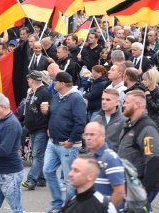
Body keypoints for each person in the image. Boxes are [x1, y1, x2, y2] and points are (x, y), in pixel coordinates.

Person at [42, 71, 86, 213]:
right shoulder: (56, 97)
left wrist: (72, 140)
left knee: (69, 180)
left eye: (55, 81)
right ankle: (57, 204)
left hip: (67, 145)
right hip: (53, 142)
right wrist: (47, 115)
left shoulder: (76, 98)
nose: (53, 83)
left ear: (61, 84)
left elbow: (80, 122)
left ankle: (69, 209)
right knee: (47, 171)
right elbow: (55, 116)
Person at [118, 90, 159, 211]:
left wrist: (144, 191)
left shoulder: (147, 128)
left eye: (126, 102)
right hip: (128, 185)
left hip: (139, 187)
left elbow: (153, 159)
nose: (123, 105)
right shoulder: (129, 125)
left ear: (137, 104)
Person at [21, 70, 52, 191]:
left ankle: (31, 180)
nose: (27, 81)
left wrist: (49, 127)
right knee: (37, 154)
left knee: (37, 155)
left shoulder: (45, 93)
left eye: (28, 79)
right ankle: (41, 178)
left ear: (32, 80)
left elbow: (49, 112)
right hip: (32, 128)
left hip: (41, 128)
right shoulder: (31, 92)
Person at [84, 122, 125, 210]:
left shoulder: (111, 159)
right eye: (86, 134)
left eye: (92, 134)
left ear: (103, 136)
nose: (88, 138)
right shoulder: (89, 157)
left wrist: (107, 210)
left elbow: (119, 192)